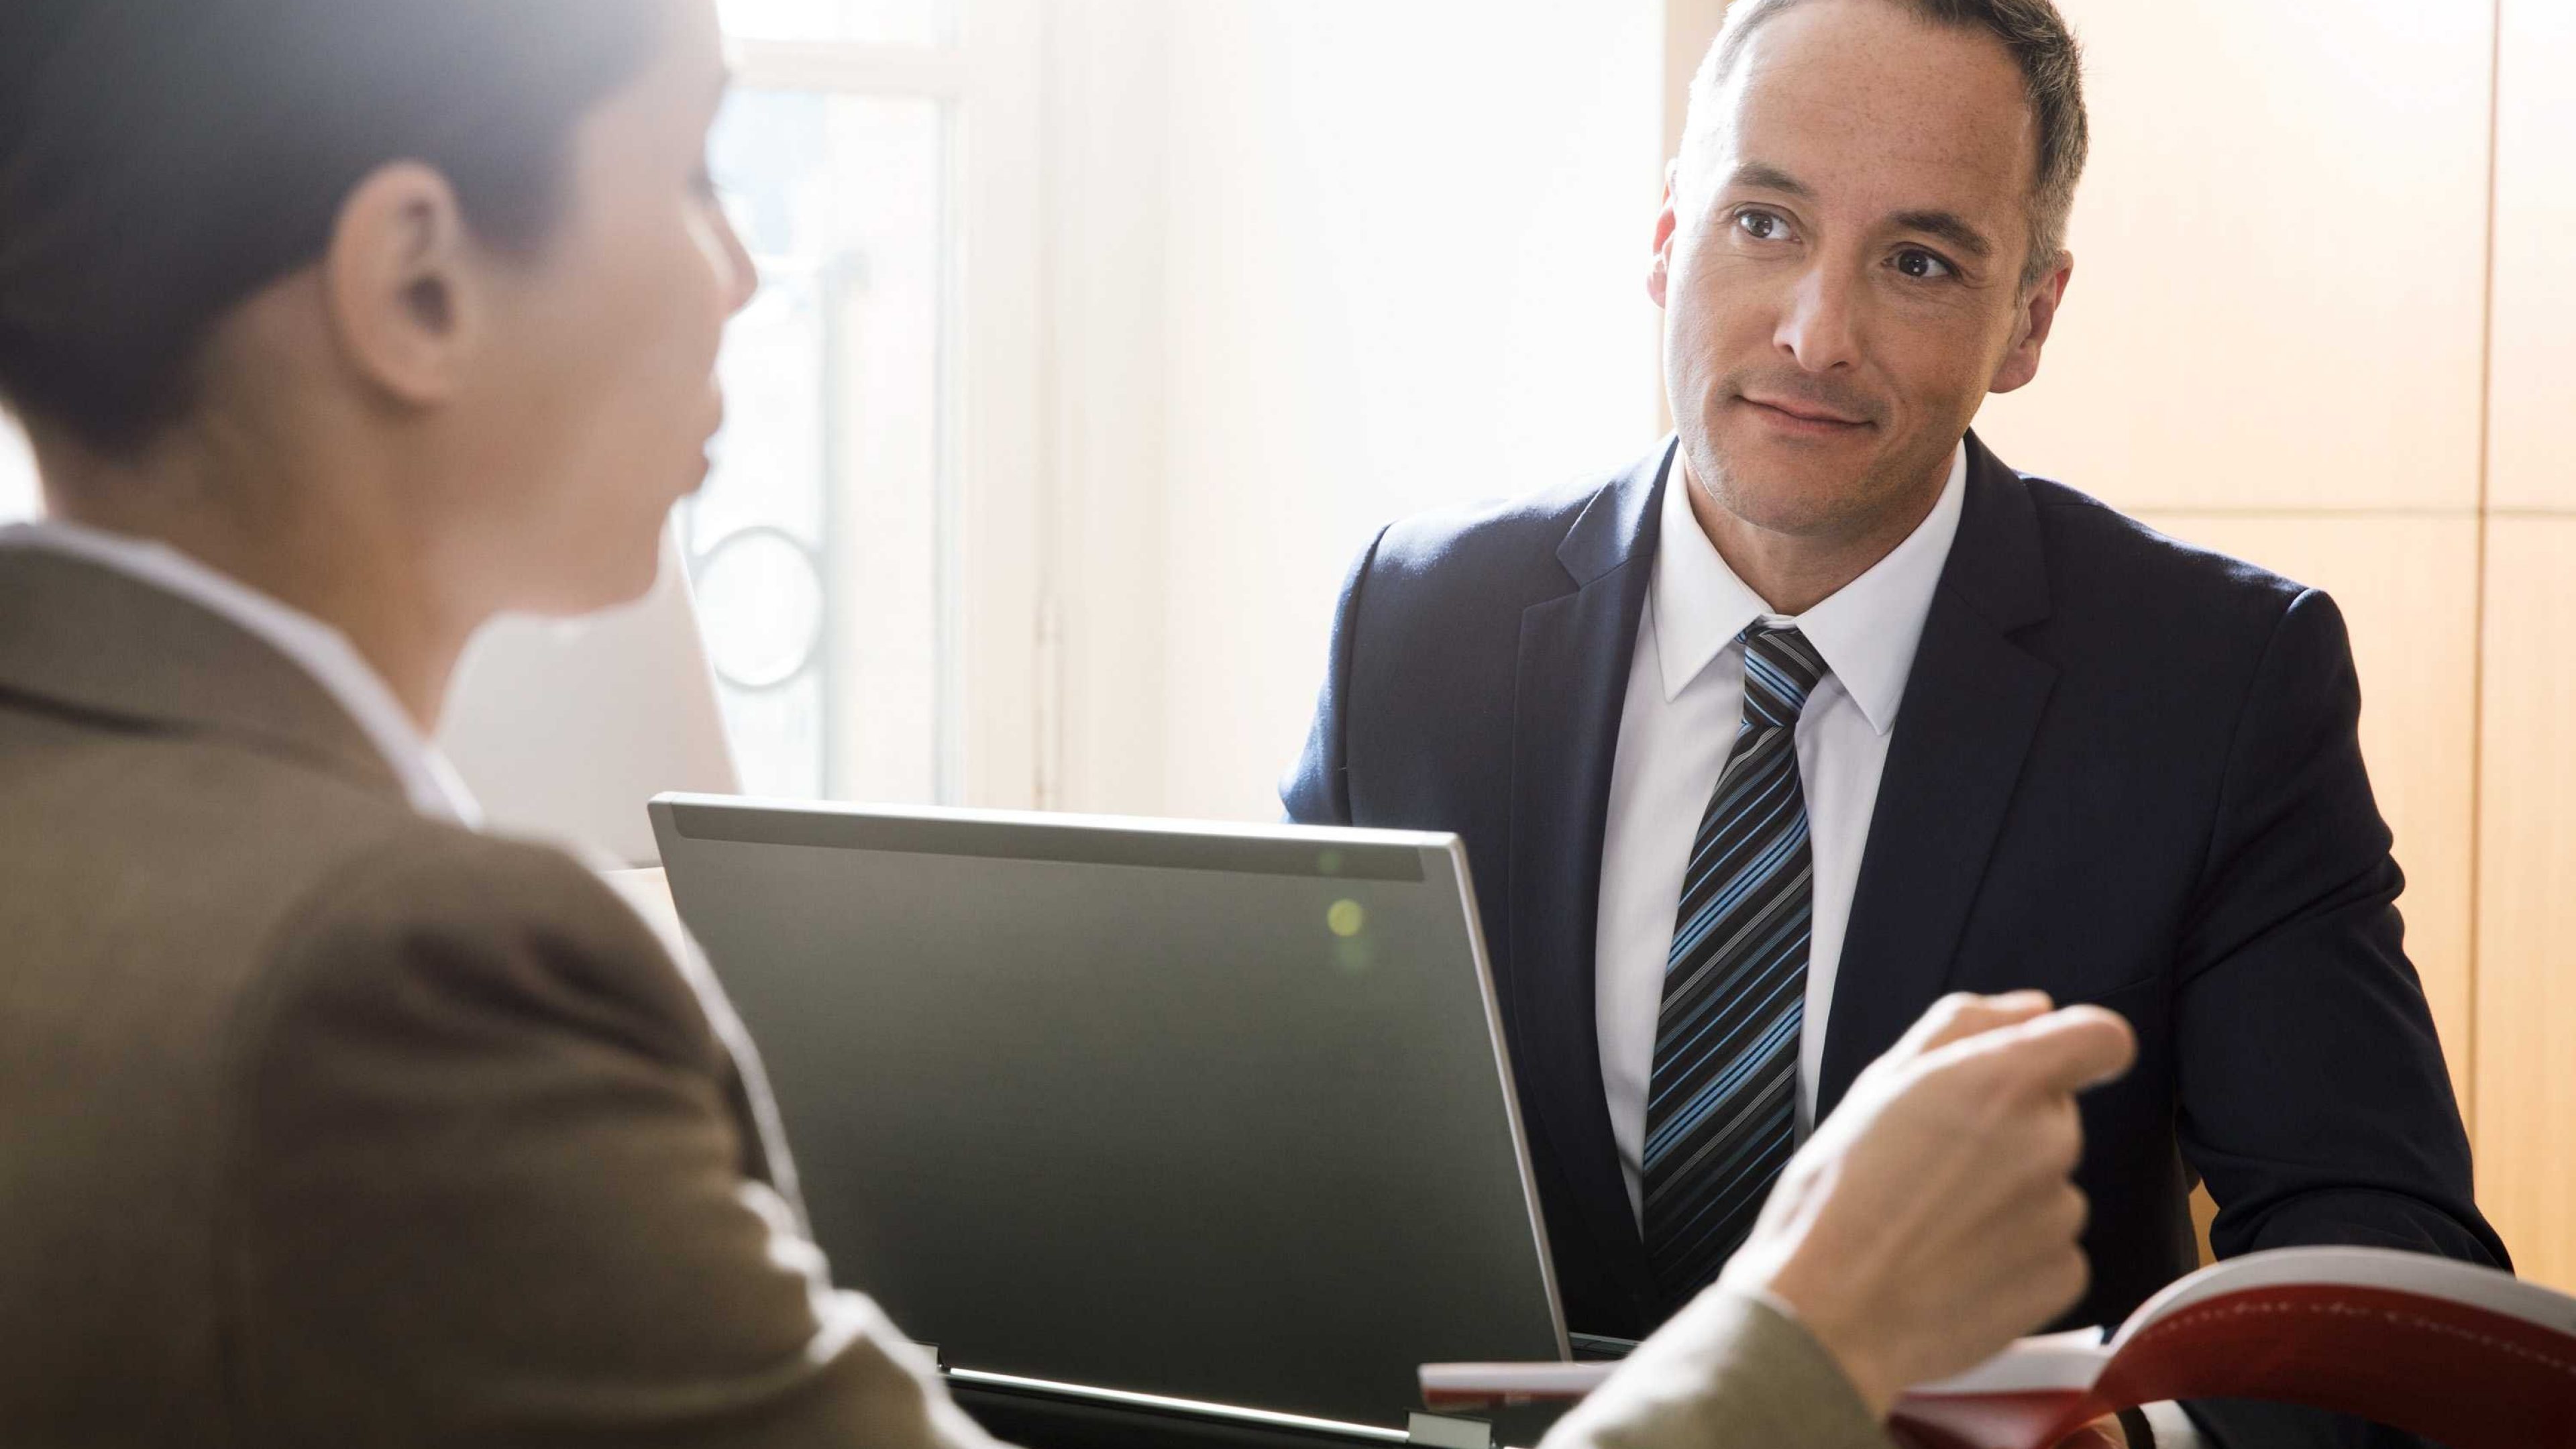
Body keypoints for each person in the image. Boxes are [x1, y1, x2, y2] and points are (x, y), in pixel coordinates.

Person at [0, 2, 2136, 1446]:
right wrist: (1818, 1330)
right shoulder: (416, 983)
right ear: (416, 286)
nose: (744, 274)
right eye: (686, 176)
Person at [1283, 1, 2507, 1446]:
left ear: (2030, 321)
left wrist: (2128, 1446)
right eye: (1763, 224)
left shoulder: (2223, 683)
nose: (1817, 334)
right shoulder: (1414, 623)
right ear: (1667, 235)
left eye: (1920, 262)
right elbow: (1297, 1162)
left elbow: (2385, 1278)